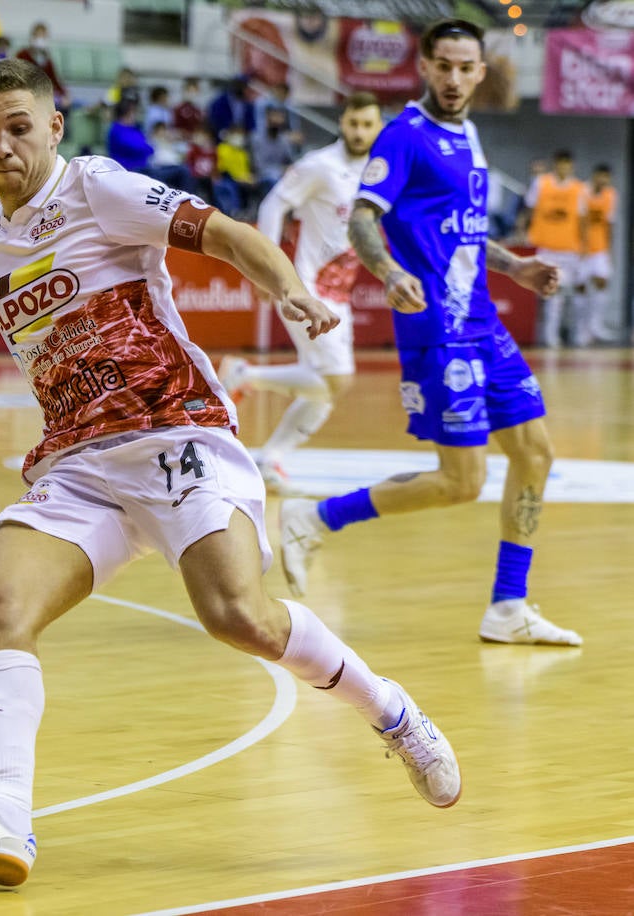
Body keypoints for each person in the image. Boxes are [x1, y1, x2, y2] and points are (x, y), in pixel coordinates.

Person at [0, 58, 460, 888]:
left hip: (175, 433)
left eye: (19, 127)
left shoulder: (98, 189)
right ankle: (6, 817)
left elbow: (226, 233)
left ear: (55, 125)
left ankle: (391, 711)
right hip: (76, 464)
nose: (3, 146)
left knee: (239, 618)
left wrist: (288, 290)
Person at [284, 18, 581, 646]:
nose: (452, 77)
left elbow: (464, 232)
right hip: (438, 330)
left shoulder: (468, 132)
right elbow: (365, 218)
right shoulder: (404, 136)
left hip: (483, 322)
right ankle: (313, 518)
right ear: (424, 66)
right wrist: (389, 273)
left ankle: (508, 605)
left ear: (481, 71)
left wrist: (516, 265)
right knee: (461, 482)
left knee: (535, 453)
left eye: (463, 67)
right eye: (441, 65)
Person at [220, 92, 384, 491]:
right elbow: (274, 204)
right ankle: (245, 375)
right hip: (305, 288)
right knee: (338, 380)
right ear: (342, 123)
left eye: (367, 124)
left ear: (378, 127)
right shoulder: (319, 166)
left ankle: (272, 460)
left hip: (340, 294)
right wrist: (268, 270)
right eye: (353, 123)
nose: (359, 131)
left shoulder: (379, 173)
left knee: (324, 391)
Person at [521, 150, 586, 348]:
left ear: (572, 165)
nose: (563, 167)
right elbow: (529, 211)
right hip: (545, 247)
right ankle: (549, 336)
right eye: (560, 163)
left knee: (570, 295)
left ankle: (573, 335)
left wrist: (583, 245)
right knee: (551, 294)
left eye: (567, 163)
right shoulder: (541, 183)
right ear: (555, 164)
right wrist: (524, 234)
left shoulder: (579, 188)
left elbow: (583, 220)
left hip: (569, 249)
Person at [578, 164, 618, 346]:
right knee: (581, 287)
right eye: (601, 176)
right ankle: (580, 330)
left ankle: (596, 326)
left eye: (606, 177)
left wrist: (609, 249)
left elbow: (609, 224)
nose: (603, 180)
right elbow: (579, 221)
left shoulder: (610, 194)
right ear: (594, 176)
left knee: (602, 283)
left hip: (600, 248)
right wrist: (582, 246)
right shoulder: (582, 192)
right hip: (580, 249)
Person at [15, 21, 69, 115]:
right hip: (28, 92)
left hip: (44, 93)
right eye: (38, 36)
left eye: (44, 36)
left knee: (70, 105)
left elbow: (54, 79)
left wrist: (65, 95)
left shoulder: (47, 59)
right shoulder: (22, 54)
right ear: (32, 37)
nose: (41, 39)